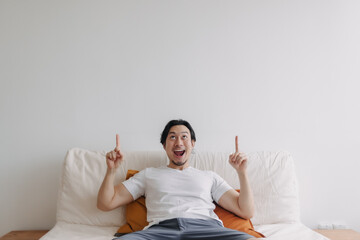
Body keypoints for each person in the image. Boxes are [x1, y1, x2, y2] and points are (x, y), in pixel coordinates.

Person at [97, 119, 256, 240]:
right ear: (164, 145)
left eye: (184, 137)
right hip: (160, 231)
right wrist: (111, 170)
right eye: (172, 137)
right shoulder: (148, 174)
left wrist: (242, 172)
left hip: (206, 230)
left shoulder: (209, 176)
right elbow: (106, 203)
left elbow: (246, 211)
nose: (178, 142)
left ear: (192, 144)